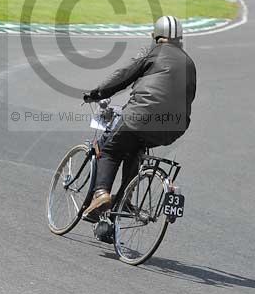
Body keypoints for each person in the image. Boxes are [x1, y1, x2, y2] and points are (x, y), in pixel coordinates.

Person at [82, 16, 197, 217]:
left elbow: (123, 76)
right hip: (174, 128)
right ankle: (123, 201)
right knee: (134, 149)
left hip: (140, 116)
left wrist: (97, 93)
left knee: (110, 150)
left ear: (156, 36)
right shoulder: (189, 62)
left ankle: (101, 194)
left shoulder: (153, 52)